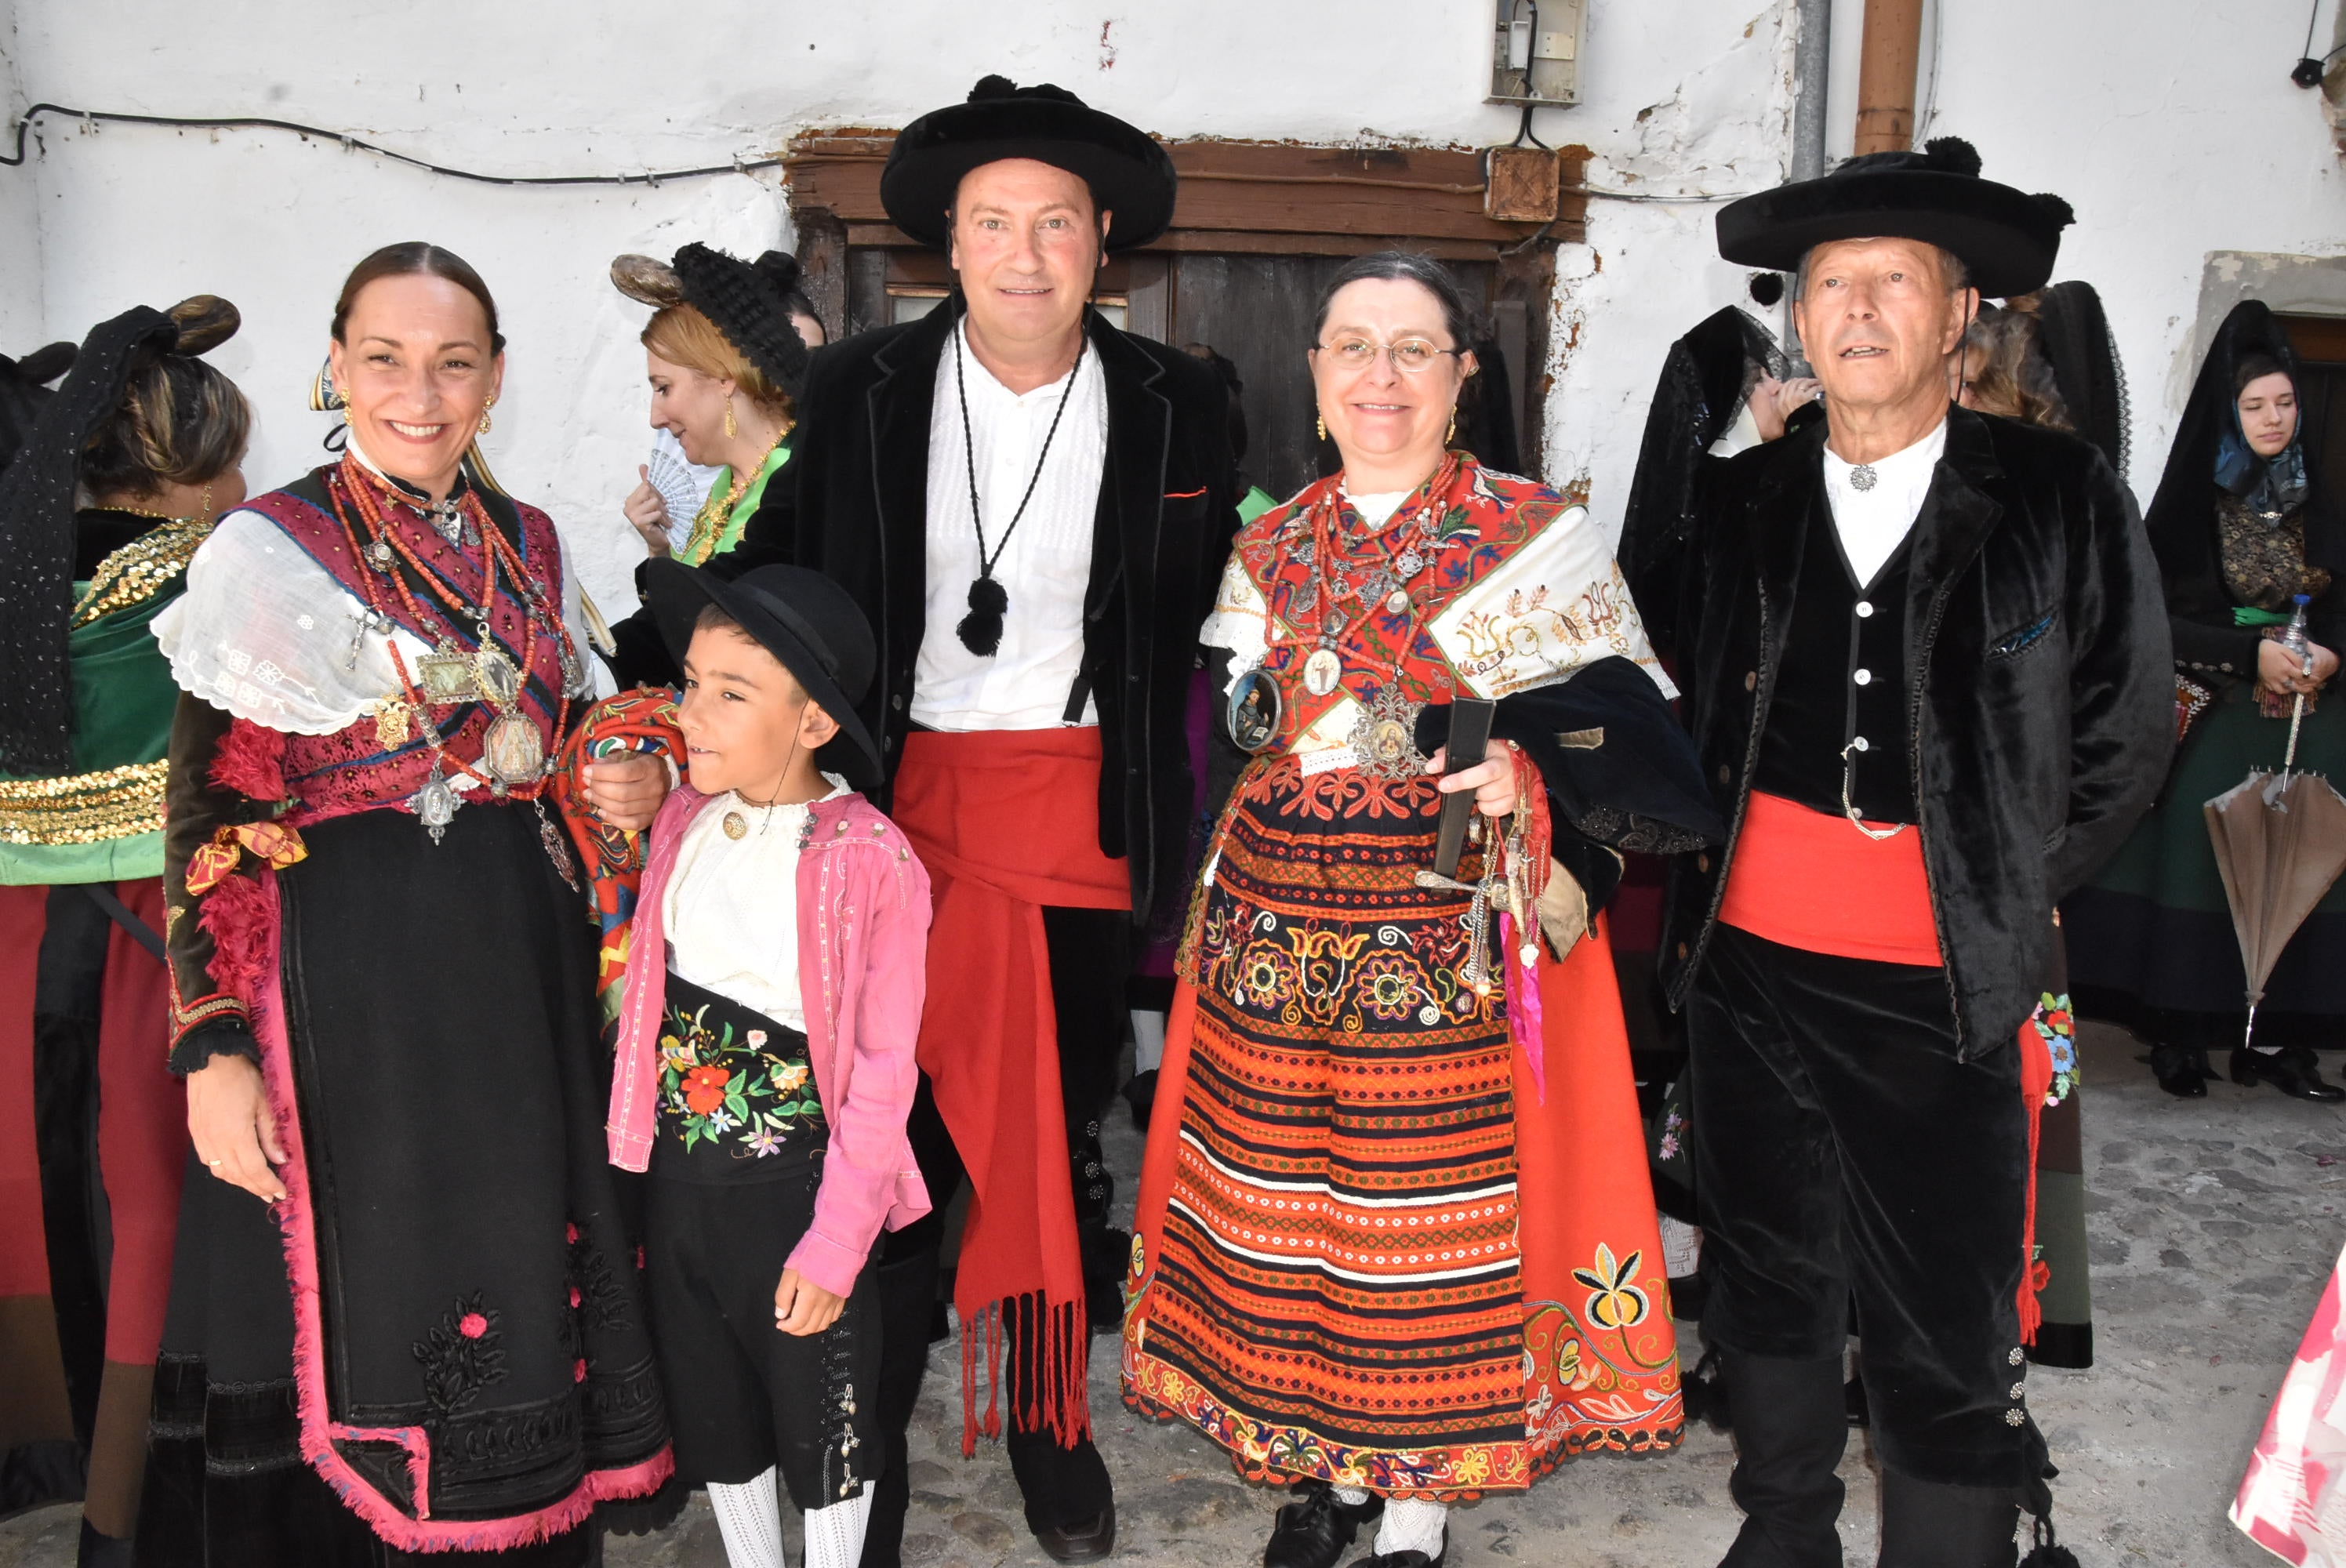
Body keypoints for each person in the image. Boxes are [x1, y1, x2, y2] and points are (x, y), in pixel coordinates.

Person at [1123, 251, 1720, 1568]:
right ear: (1314, 376)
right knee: (1286, 1217)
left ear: (1462, 375)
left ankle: (1415, 1504)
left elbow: (1638, 751)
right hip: (1275, 950)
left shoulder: (1536, 538)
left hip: (1448, 945)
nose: (1378, 375)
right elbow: (1236, 746)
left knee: (1421, 1227)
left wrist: (1523, 771)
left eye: (1411, 349)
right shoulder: (1266, 547)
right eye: (1352, 346)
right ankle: (1316, 1466)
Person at [1622, 136, 2171, 1565]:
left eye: (1895, 281)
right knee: (1769, 1270)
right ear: (1798, 319)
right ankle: (1783, 1528)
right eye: (1829, 285)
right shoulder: (1741, 502)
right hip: (1745, 971)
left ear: (1958, 314)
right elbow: (1667, 705)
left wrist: (1999, 888)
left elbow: (2121, 736)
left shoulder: (2058, 495)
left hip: (1946, 983)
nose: (1857, 310)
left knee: (1943, 1300)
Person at [718, 74, 1239, 1565]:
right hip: (895, 815)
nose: (1025, 253)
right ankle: (864, 1452)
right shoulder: (857, 388)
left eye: (1055, 224)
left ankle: (1045, 1424)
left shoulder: (1183, 400)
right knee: (884, 1142)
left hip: (1083, 822)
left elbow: (1234, 601)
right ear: (946, 244)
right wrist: (665, 698)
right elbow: (772, 575)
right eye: (993, 223)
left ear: (1102, 245)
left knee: (1051, 1132)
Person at [139, 242, 672, 1566]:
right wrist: (211, 1042)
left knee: (519, 1276)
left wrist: (622, 777)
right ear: (336, 365)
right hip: (351, 999)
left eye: (452, 364)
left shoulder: (532, 543)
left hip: (518, 985)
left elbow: (566, 739)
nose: (418, 395)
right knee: (366, 1294)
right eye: (384, 359)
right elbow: (207, 810)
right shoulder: (267, 550)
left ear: (494, 379)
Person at [598, 559, 931, 1568]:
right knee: (719, 1419)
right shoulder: (683, 819)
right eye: (690, 682)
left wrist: (837, 1243)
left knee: (825, 1428)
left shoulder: (869, 858)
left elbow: (882, 1070)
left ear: (813, 721)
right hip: (680, 1191)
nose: (691, 712)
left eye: (730, 693)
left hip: (795, 1199)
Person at [0, 297, 247, 1567]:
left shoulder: (21, 576)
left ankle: (33, 1453)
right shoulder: (209, 580)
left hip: (19, 931)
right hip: (159, 928)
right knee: (157, 1206)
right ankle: (137, 1506)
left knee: (32, 1194)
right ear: (186, 472)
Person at [2066, 300, 2346, 1102]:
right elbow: (2152, 616)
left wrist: (2330, 652)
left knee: (2304, 867)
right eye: (2254, 406)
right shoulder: (2191, 509)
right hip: (2217, 716)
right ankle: (2181, 1033)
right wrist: (2249, 653)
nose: (2273, 419)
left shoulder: (2320, 504)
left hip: (2312, 719)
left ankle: (2280, 1042)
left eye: (2285, 403)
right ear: (2229, 414)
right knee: (2199, 872)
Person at [604, 246, 818, 684]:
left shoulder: (802, 481)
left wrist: (596, 669)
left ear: (723, 378)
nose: (655, 417)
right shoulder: (728, 485)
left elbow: (706, 619)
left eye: (664, 388)